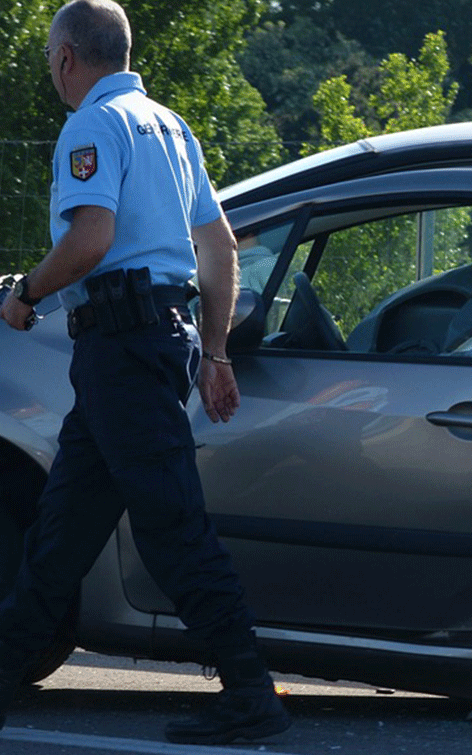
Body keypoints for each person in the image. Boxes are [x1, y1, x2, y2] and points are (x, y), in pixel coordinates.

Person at [0, 0, 290, 745]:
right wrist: (217, 353)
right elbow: (220, 247)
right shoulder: (171, 125)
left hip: (123, 348)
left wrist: (24, 294)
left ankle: (251, 693)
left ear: (67, 58)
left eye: (49, 64)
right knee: (62, 529)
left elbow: (91, 239)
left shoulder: (91, 126)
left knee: (172, 526)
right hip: (149, 345)